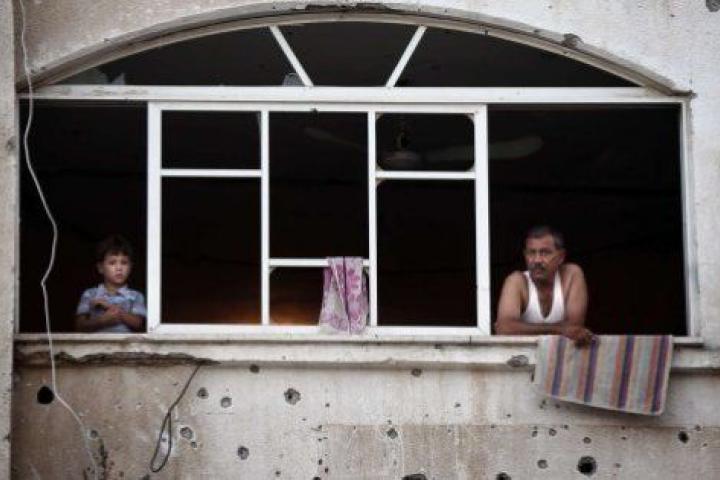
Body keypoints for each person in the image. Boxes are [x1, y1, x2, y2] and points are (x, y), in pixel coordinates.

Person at [494, 226, 592, 345]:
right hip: (522, 356)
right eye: (531, 253)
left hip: (560, 355)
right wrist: (560, 329)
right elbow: (504, 328)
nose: (537, 260)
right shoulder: (517, 281)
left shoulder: (571, 275)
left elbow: (574, 327)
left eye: (545, 253)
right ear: (525, 255)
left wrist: (521, 328)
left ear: (561, 256)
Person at [75, 235, 146, 333]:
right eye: (112, 263)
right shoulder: (90, 294)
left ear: (130, 267)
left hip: (125, 343)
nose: (119, 268)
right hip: (96, 343)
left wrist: (109, 306)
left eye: (124, 263)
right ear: (100, 268)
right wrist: (102, 321)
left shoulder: (136, 296)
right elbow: (79, 326)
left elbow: (138, 323)